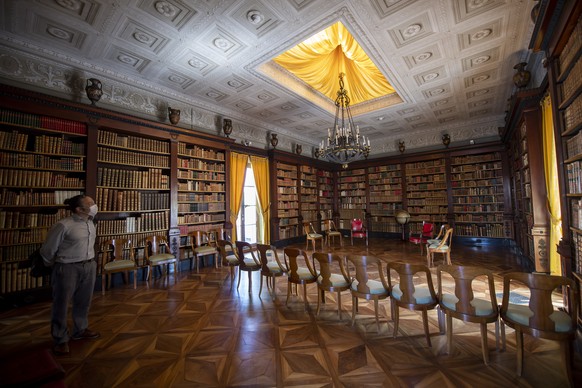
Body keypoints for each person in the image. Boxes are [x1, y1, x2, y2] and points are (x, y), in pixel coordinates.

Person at [40, 194, 100, 355]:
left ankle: (80, 329)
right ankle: (60, 339)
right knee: (61, 304)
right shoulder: (63, 225)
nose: (95, 206)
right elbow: (48, 251)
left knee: (83, 301)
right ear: (79, 209)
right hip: (67, 268)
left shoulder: (90, 223)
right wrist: (57, 265)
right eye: (91, 204)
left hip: (88, 265)